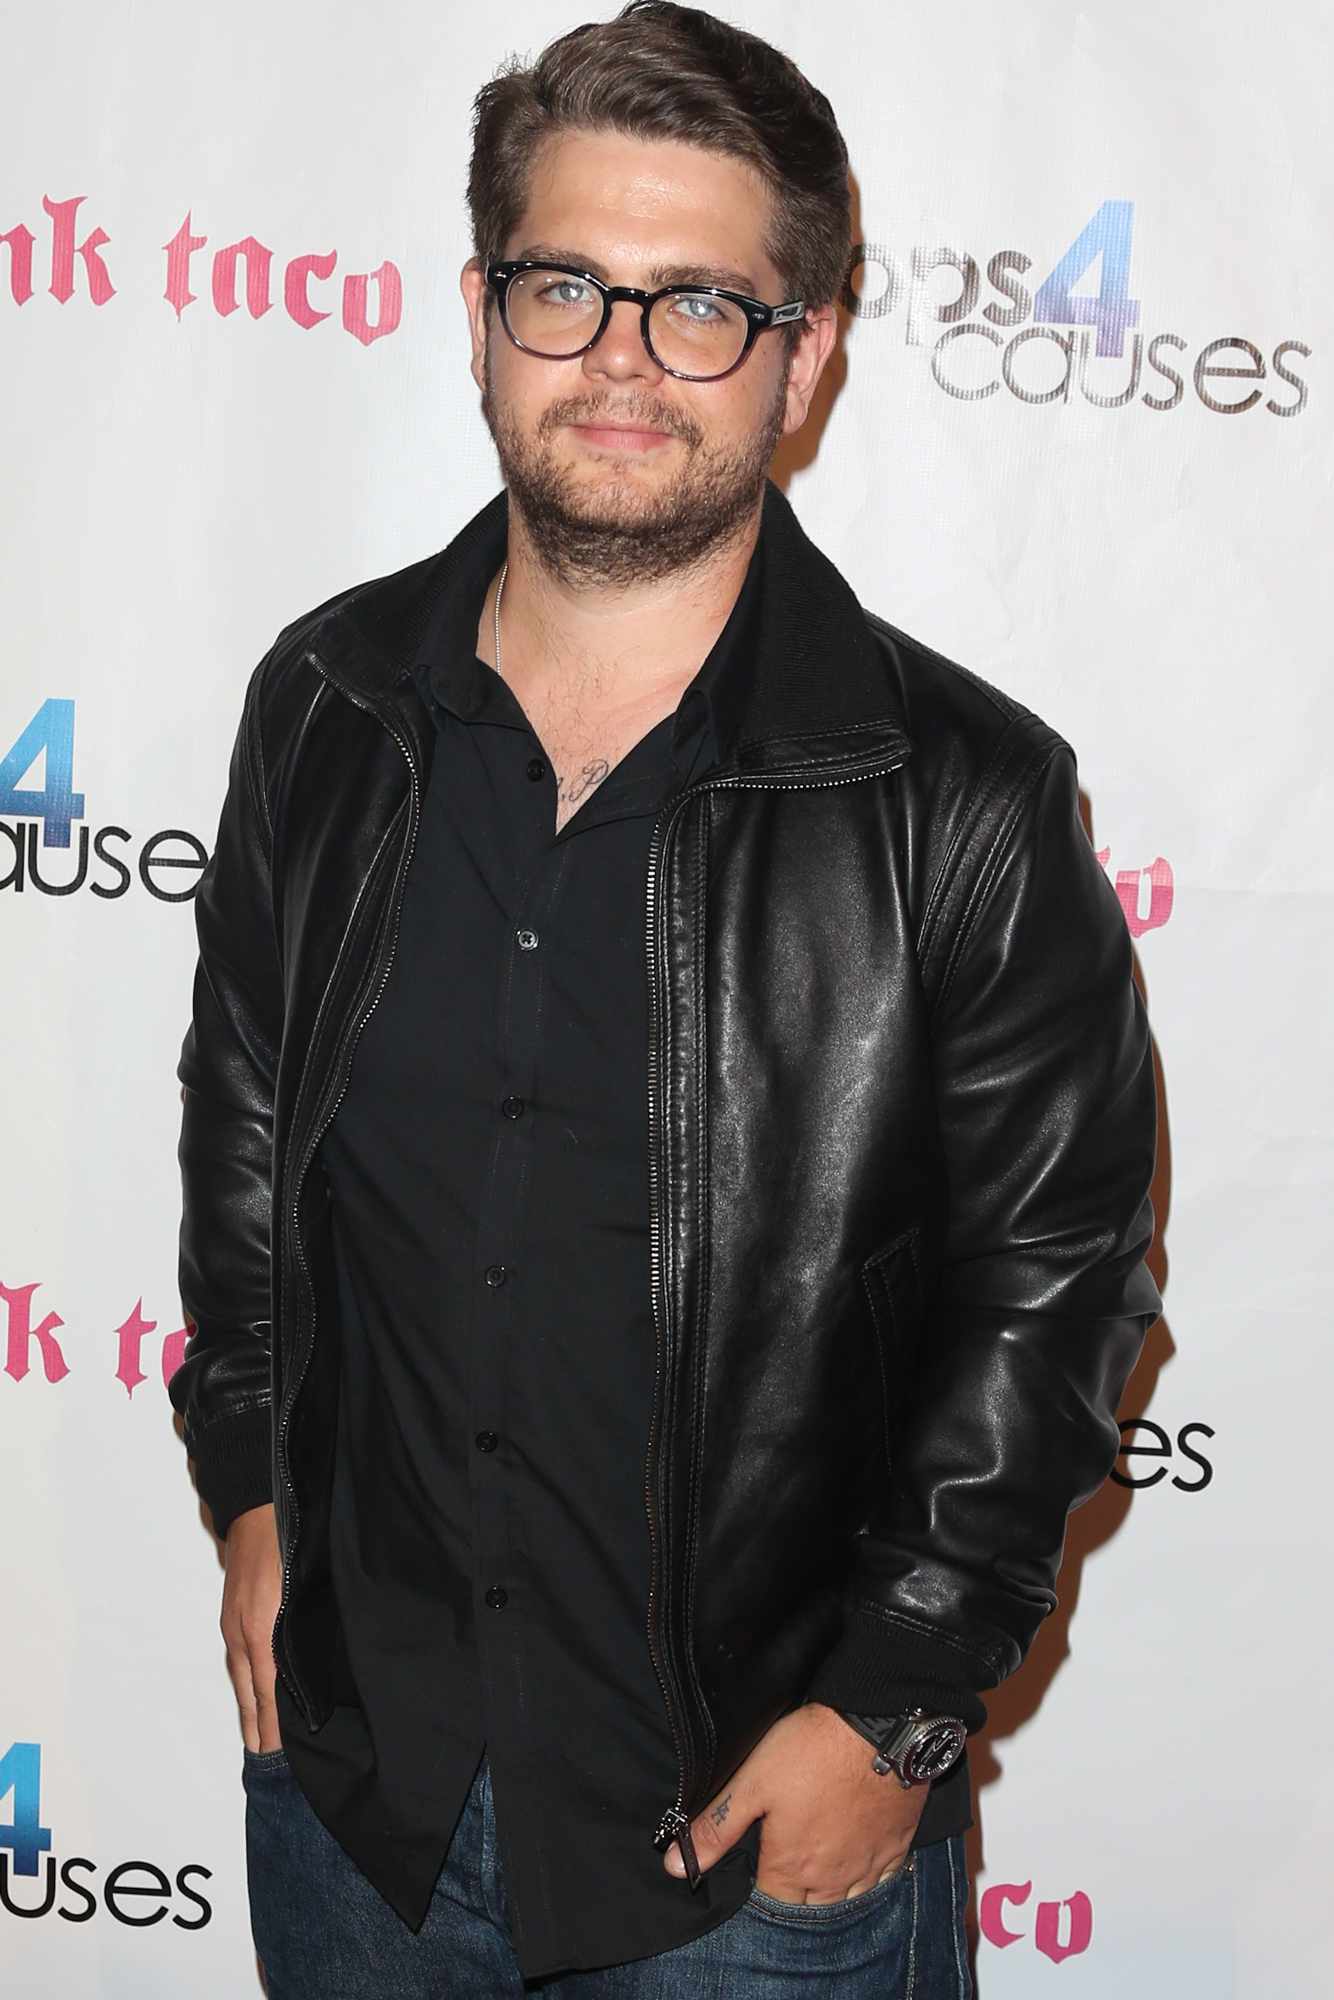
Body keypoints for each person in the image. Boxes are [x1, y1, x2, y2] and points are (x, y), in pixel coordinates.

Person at [168, 4, 1161, 1994]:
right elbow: (249, 1142)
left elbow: (1059, 1289)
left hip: (739, 1858)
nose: (623, 363)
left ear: (798, 358)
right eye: (569, 289)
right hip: (355, 1805)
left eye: (699, 304)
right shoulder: (328, 704)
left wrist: (895, 1709)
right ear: (479, 314)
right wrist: (255, 1491)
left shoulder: (953, 796)